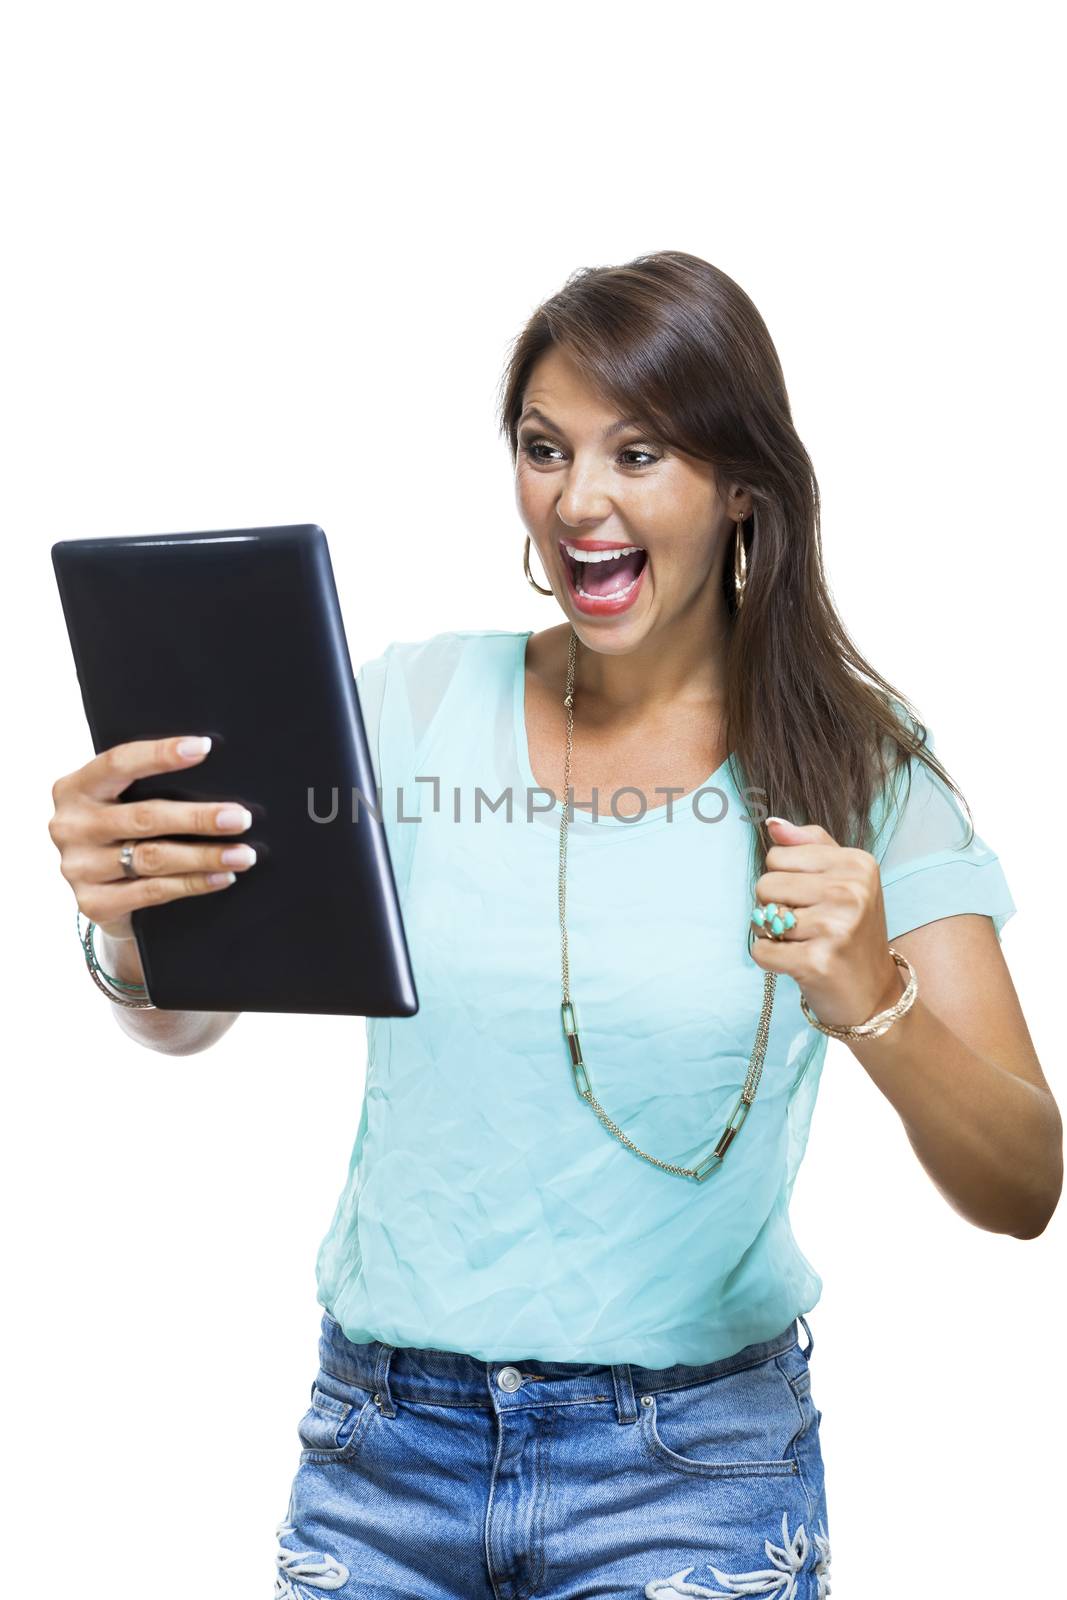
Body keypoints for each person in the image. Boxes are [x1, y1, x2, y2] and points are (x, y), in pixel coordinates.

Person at [49, 251, 1062, 1599]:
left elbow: (1025, 1184)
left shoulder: (862, 769)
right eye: (545, 448)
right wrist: (130, 926)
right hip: (382, 1453)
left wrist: (874, 997)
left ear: (741, 485)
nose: (578, 500)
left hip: (692, 1474)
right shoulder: (409, 708)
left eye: (640, 453)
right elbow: (192, 1014)